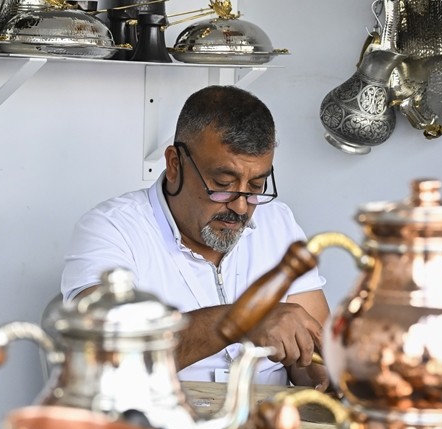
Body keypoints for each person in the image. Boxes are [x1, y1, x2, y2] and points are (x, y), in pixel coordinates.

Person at [61, 85, 330, 389]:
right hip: (158, 428)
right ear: (175, 164)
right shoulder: (112, 229)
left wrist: (335, 373)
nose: (240, 206)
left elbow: (318, 365)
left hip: (269, 428)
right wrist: (241, 320)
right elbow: (107, 359)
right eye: (223, 183)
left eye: (255, 186)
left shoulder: (278, 222)